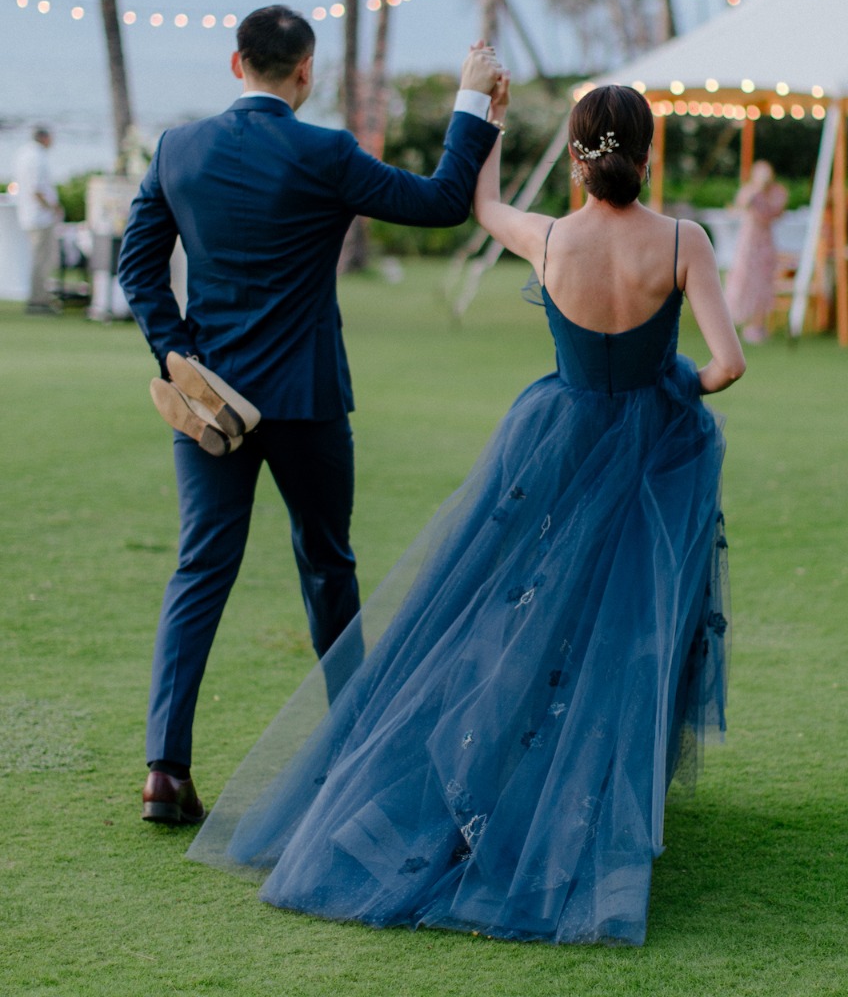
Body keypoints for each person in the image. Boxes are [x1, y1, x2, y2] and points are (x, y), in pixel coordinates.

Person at [188, 84, 744, 947]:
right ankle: (593, 795)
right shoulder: (683, 242)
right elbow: (729, 363)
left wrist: (483, 111)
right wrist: (675, 387)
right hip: (642, 451)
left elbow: (481, 204)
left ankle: (483, 783)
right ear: (649, 152)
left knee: (510, 611)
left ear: (573, 155)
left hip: (554, 440)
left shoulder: (551, 236)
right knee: (621, 622)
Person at [117, 6, 502, 828]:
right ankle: (354, 749)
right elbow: (440, 203)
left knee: (199, 571)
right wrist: (471, 104)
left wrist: (176, 353)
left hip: (211, 402)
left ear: (236, 65)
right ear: (305, 73)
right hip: (308, 400)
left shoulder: (178, 148)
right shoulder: (324, 151)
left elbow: (137, 263)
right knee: (327, 565)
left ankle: (164, 770)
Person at [725, 159, 788, 342]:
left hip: (765, 241)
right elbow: (739, 207)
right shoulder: (749, 191)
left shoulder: (777, 192)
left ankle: (758, 323)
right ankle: (741, 319)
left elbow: (776, 214)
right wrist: (755, 192)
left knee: (762, 282)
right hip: (749, 240)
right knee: (744, 279)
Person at [14, 125, 62, 314]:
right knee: (41, 259)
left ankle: (39, 297)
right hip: (39, 217)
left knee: (39, 258)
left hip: (29, 214)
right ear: (44, 137)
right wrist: (53, 207)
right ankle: (38, 299)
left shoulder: (24, 153)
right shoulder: (36, 157)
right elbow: (37, 189)